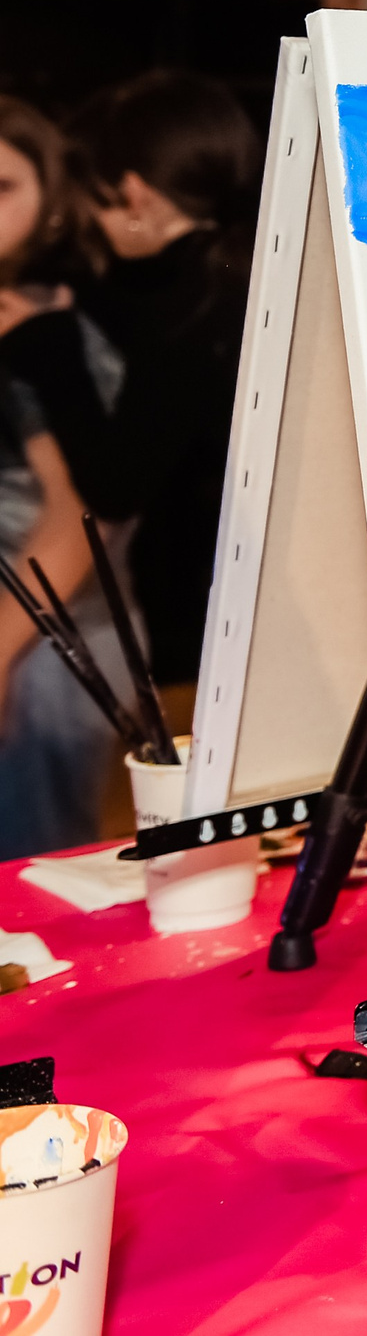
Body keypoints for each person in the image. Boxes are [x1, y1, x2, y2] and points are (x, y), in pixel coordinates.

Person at [0, 71, 255, 714]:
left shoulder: (196, 309)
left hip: (208, 631)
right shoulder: (237, 271)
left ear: (133, 193)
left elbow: (113, 485)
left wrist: (49, 343)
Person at [0, 98, 129, 860]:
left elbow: (77, 516)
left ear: (50, 202)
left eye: (5, 187)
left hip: (53, 609)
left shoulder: (47, 327)